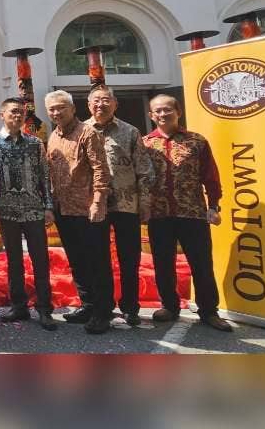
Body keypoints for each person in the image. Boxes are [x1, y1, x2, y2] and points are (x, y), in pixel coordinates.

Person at [142, 94, 232, 332]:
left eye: (167, 110)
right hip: (159, 215)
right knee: (163, 263)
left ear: (178, 112)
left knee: (201, 263)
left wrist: (213, 205)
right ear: (151, 115)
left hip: (192, 213)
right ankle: (169, 306)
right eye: (157, 111)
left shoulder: (196, 141)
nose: (163, 114)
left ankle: (209, 311)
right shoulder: (145, 144)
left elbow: (211, 177)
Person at [0, 98, 57, 331]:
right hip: (7, 212)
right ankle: (19, 306)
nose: (18, 116)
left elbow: (44, 176)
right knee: (14, 261)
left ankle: (45, 308)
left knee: (40, 260)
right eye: (13, 112)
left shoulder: (35, 144)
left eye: (21, 113)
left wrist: (48, 206)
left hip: (34, 210)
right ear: (1, 114)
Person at [85, 86, 155, 326]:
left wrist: (145, 201)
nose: (100, 105)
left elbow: (144, 169)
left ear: (115, 104)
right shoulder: (82, 131)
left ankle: (130, 306)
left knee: (129, 258)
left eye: (106, 100)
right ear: (88, 105)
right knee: (97, 258)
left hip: (127, 204)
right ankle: (102, 307)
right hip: (95, 205)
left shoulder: (130, 131)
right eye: (96, 101)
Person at [45, 90, 113, 335]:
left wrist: (98, 201)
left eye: (61, 107)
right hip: (64, 209)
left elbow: (100, 169)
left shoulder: (88, 132)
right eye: (52, 109)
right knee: (77, 261)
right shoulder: (53, 136)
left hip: (88, 209)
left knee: (98, 262)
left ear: (73, 109)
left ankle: (103, 312)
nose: (56, 112)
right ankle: (88, 305)